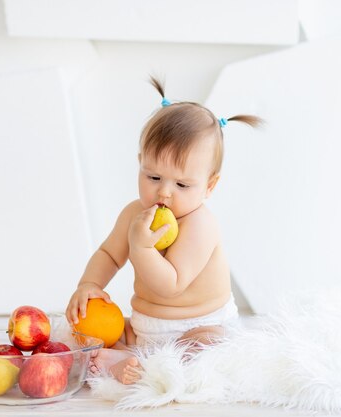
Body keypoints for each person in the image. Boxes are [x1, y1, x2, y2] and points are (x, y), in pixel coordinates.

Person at [66, 76, 262, 385]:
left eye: (182, 184)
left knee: (210, 353)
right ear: (140, 163)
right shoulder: (134, 214)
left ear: (209, 185)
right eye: (153, 177)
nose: (164, 193)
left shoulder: (201, 224)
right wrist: (88, 284)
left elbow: (170, 284)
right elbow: (108, 254)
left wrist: (141, 248)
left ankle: (133, 364)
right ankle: (125, 354)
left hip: (198, 327)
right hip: (147, 327)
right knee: (89, 331)